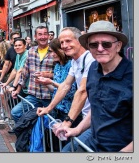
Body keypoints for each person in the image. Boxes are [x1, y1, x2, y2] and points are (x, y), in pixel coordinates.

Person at [53, 21, 133, 152]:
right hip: (93, 143)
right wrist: (77, 129)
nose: (100, 49)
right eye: (94, 45)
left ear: (118, 46)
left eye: (106, 44)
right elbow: (98, 107)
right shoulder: (93, 69)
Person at [36, 27, 95, 126]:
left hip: (95, 118)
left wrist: (67, 122)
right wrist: (48, 108)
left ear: (80, 41)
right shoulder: (74, 61)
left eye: (68, 41)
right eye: (62, 42)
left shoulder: (90, 59)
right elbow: (65, 86)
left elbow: (82, 91)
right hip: (87, 117)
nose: (64, 45)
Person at [10, 26, 55, 124]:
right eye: (40, 34)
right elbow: (24, 73)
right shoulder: (31, 51)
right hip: (33, 95)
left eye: (45, 34)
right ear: (35, 36)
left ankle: (40, 138)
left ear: (48, 35)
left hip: (50, 97)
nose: (43, 37)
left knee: (49, 125)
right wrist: (17, 90)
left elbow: (61, 74)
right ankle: (28, 136)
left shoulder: (54, 51)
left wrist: (47, 75)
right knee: (15, 113)